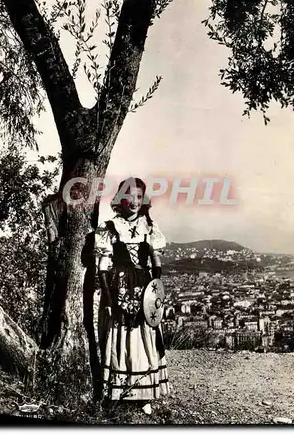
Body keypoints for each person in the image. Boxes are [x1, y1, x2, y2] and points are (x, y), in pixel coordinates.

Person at [95, 177, 170, 414]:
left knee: (143, 335)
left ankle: (144, 393)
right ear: (120, 198)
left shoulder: (149, 226)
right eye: (130, 196)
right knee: (121, 335)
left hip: (143, 288)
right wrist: (108, 297)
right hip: (119, 288)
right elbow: (103, 266)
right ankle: (118, 391)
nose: (134, 202)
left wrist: (154, 287)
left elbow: (156, 261)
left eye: (139, 197)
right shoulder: (109, 227)